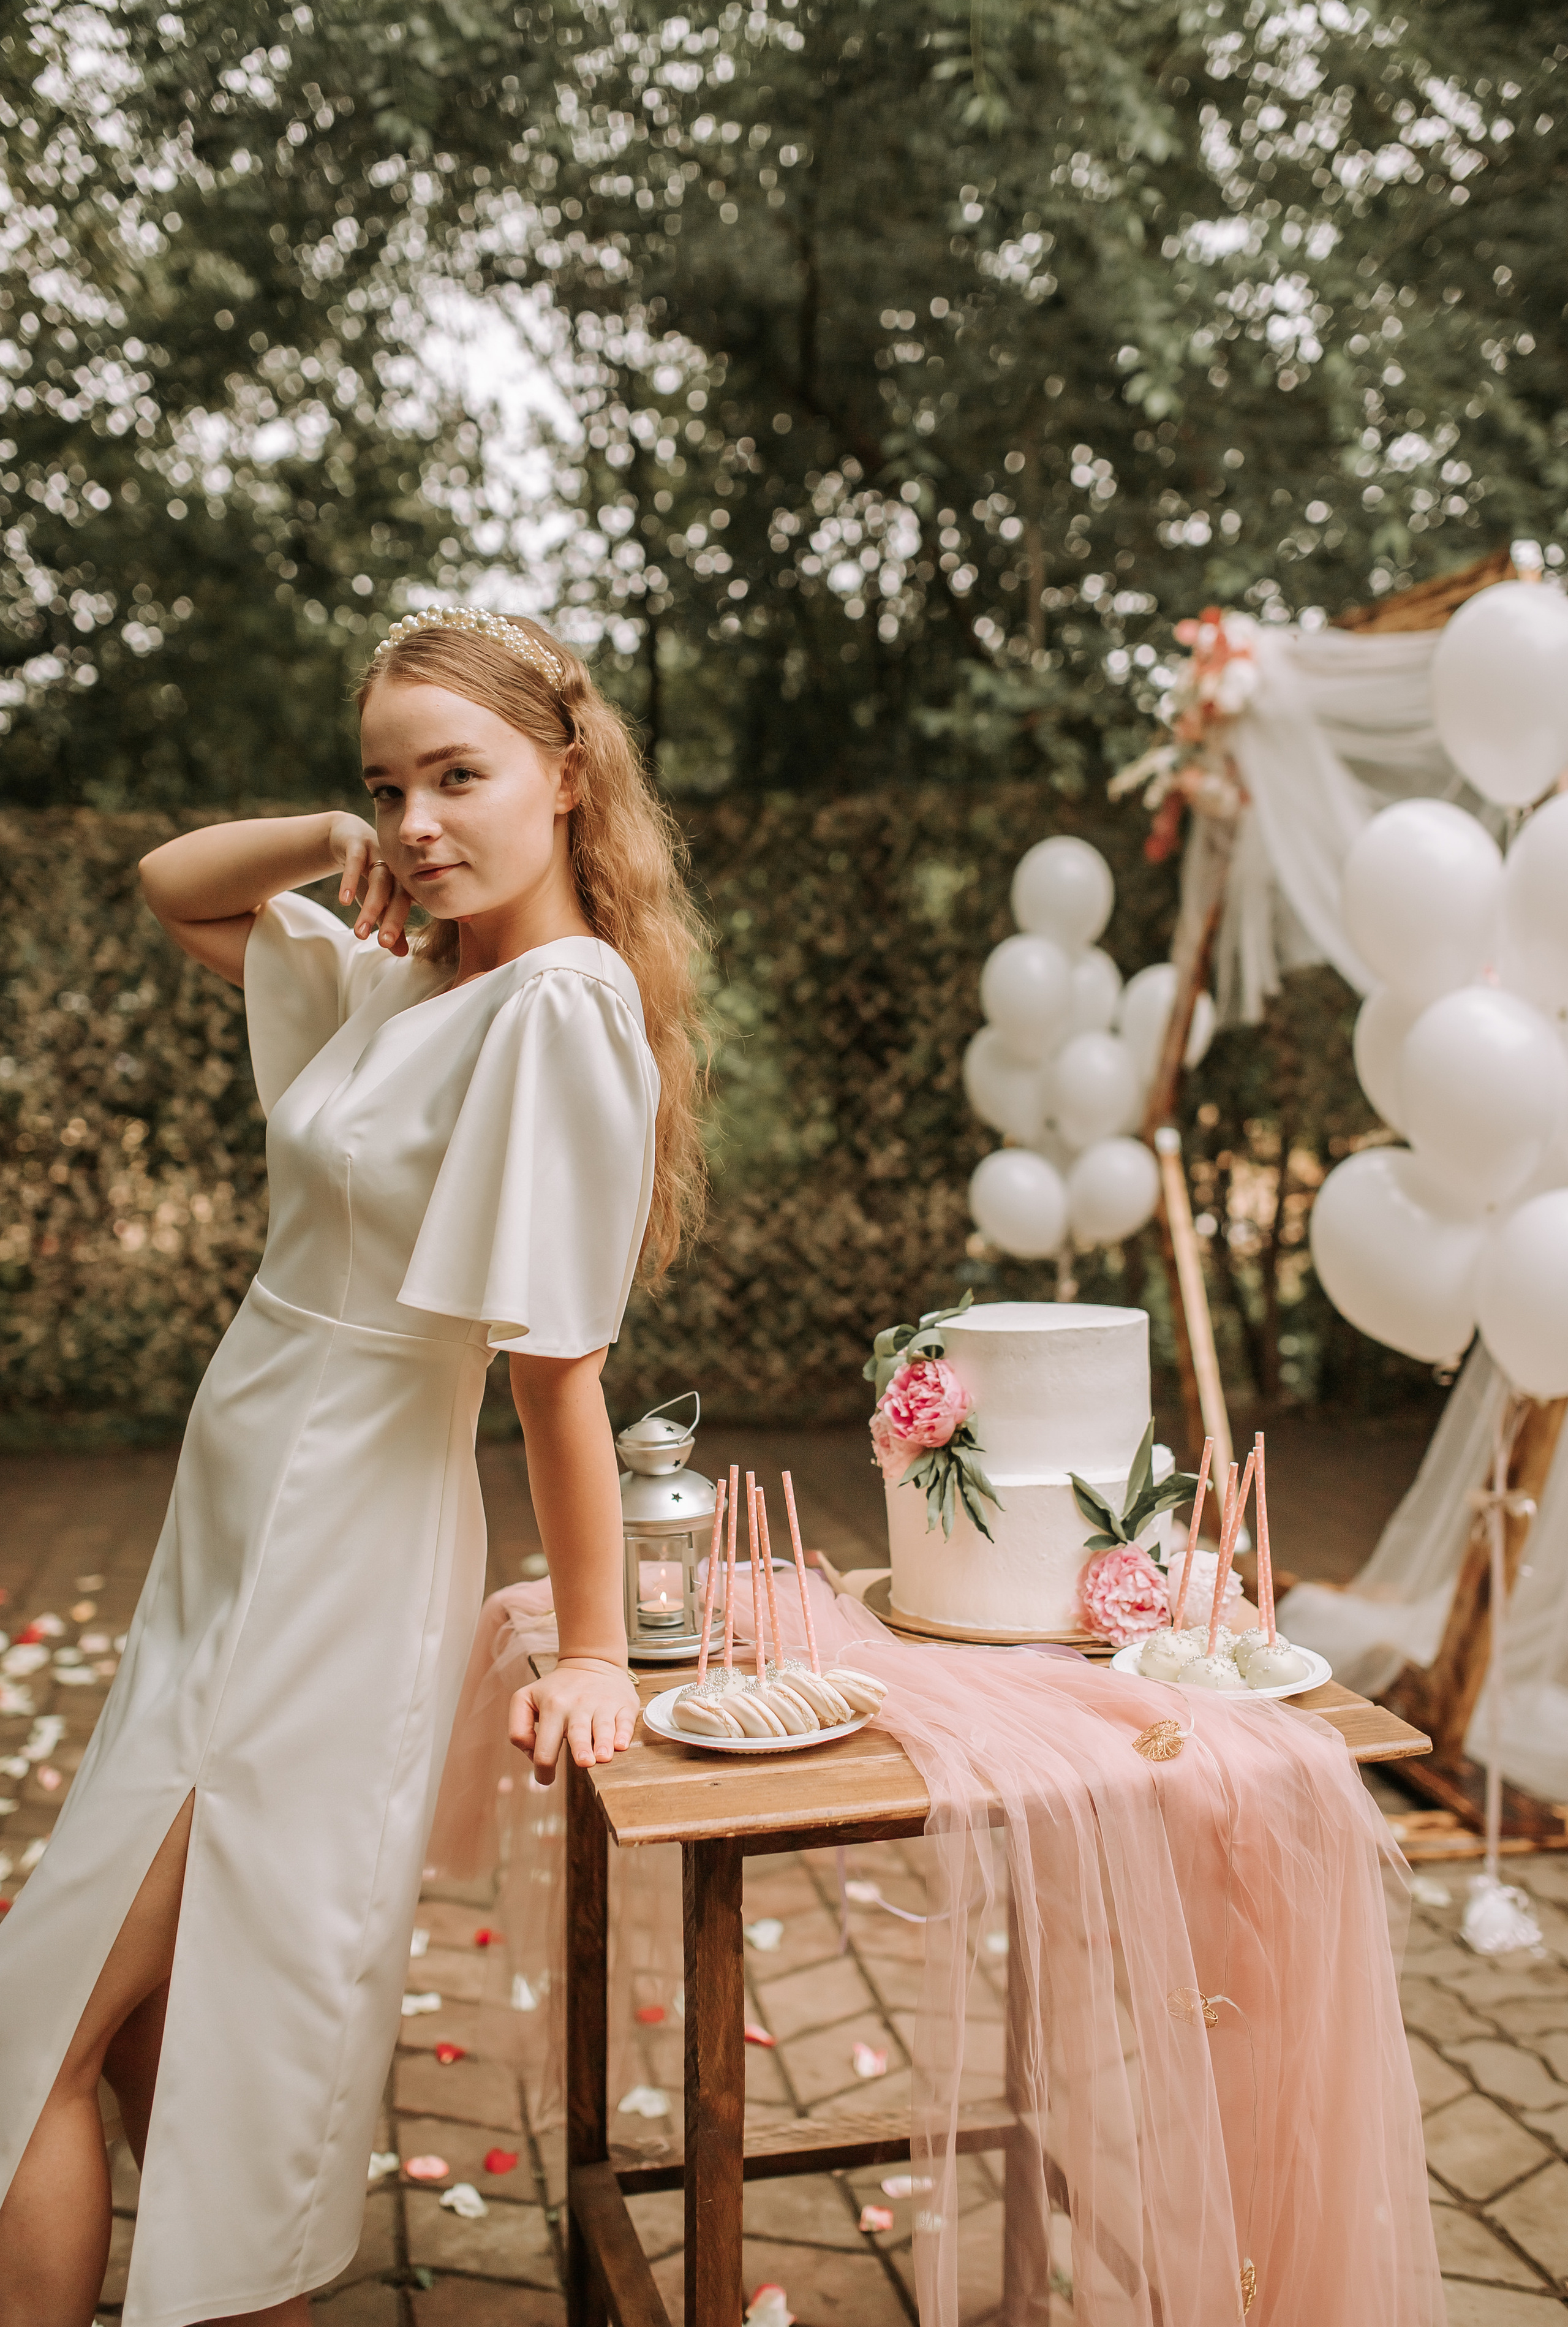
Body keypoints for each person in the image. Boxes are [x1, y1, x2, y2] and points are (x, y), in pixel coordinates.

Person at [0, 607, 707, 2327]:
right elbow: (180, 884)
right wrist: (333, 836)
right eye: (389, 784)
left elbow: (558, 1378)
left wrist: (602, 1650)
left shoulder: (554, 1006)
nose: (417, 823)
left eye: (459, 777)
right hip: (230, 1528)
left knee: (35, 2038)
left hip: (336, 1543)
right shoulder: (411, 981)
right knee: (191, 2025)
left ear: (566, 774)